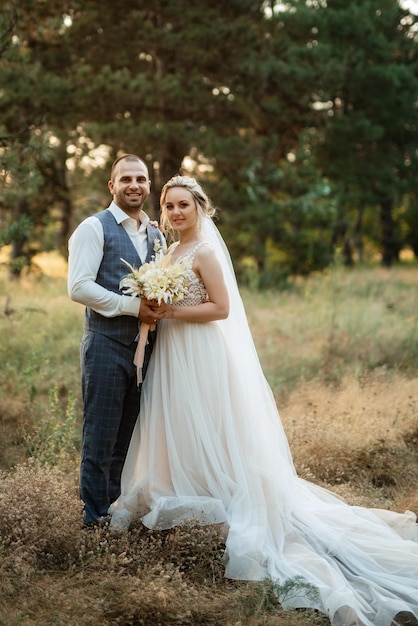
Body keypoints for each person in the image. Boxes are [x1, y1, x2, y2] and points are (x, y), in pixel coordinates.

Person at [109, 175, 418, 626]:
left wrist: (169, 310)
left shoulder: (207, 252)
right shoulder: (169, 252)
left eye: (183, 205)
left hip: (202, 353)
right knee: (178, 424)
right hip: (173, 352)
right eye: (170, 206)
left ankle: (221, 493)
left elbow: (221, 309)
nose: (176, 213)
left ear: (200, 207)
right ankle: (186, 486)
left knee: (211, 425)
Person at [67, 154, 164, 527]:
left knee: (127, 436)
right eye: (126, 179)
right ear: (112, 186)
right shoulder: (94, 228)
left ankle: (112, 510)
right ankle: (91, 522)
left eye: (140, 179)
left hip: (146, 352)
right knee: (99, 439)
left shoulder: (155, 235)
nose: (134, 185)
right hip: (106, 347)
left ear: (148, 185)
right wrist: (132, 307)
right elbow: (79, 287)